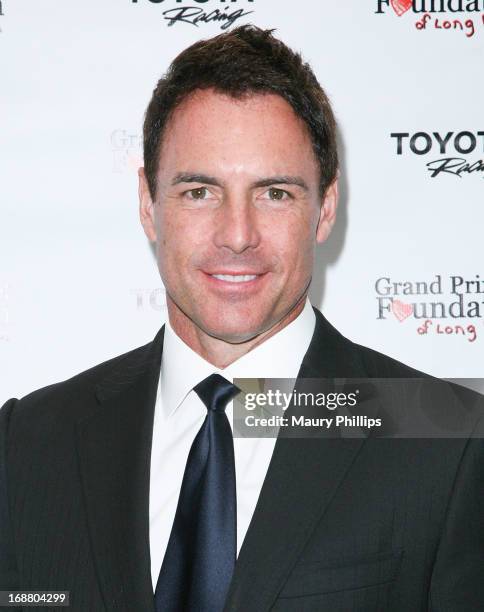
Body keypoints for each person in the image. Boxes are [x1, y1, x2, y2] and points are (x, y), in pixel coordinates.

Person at [1, 25, 483, 612]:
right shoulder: (29, 444)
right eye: (200, 191)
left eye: (274, 193)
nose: (237, 236)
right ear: (148, 206)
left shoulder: (449, 442)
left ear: (325, 208)